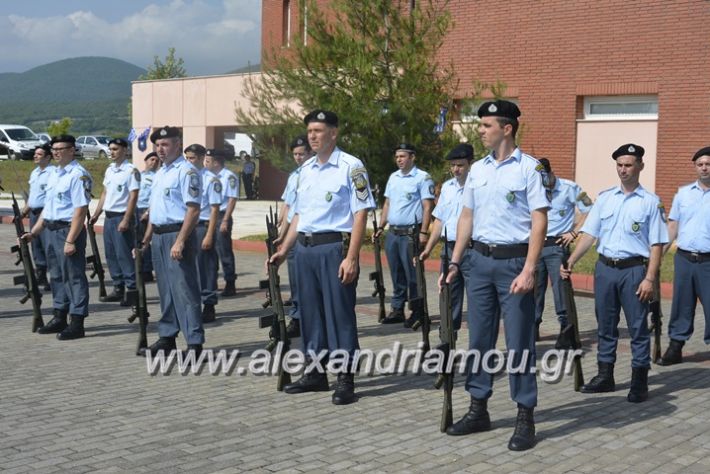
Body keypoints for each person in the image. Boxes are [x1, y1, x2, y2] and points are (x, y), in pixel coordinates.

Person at [444, 100, 548, 451]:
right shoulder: (477, 170)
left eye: (486, 125)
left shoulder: (528, 169)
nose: (481, 130)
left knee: (519, 343)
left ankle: (524, 416)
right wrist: (455, 263)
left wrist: (530, 269)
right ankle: (478, 408)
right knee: (479, 341)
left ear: (507, 128)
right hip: (480, 263)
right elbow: (466, 218)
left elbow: (539, 221)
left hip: (514, 264)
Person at [270, 109, 374, 405]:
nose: (312, 136)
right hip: (304, 250)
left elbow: (361, 213)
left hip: (333, 250)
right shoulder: (305, 171)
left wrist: (352, 257)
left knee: (339, 314)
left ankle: (345, 377)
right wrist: (284, 250)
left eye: (318, 130)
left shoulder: (351, 167)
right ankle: (315, 372)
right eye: (310, 131)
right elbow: (299, 215)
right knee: (310, 313)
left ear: (333, 133)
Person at [561, 143, 668, 403]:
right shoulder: (605, 198)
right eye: (619, 165)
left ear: (640, 166)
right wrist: (572, 260)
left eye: (628, 165)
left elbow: (657, 245)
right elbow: (590, 234)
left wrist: (650, 278)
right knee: (605, 326)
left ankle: (639, 381)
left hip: (634, 271)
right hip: (605, 269)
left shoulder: (650, 203)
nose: (623, 170)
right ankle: (605, 376)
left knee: (637, 328)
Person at [140, 126, 203, 356]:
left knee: (184, 289)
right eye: (157, 145)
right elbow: (155, 211)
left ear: (178, 144)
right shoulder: (161, 172)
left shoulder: (186, 172)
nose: (160, 149)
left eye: (165, 145)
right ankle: (167, 336)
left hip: (177, 234)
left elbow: (193, 210)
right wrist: (146, 239)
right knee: (165, 289)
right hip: (159, 235)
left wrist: (180, 241)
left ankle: (194, 342)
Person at [22, 135, 92, 340]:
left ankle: (77, 321)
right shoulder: (54, 174)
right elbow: (49, 208)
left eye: (61, 148)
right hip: (50, 230)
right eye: (54, 149)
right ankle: (60, 315)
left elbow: (80, 211)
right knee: (57, 275)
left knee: (74, 276)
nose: (57, 152)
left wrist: (71, 240)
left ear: (72, 150)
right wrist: (34, 232)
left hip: (67, 230)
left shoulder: (78, 175)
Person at [657, 146, 710, 365]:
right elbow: (672, 226)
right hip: (685, 258)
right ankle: (675, 346)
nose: (704, 168)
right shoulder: (683, 194)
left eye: (708, 164)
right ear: (695, 167)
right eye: (700, 164)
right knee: (682, 304)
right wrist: (659, 253)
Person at [374, 143, 435, 327]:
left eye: (403, 156)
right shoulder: (393, 177)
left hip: (411, 234)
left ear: (412, 157)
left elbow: (427, 206)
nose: (399, 159)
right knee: (396, 273)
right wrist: (381, 225)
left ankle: (417, 311)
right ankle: (397, 309)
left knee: (413, 275)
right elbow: (387, 204)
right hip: (393, 233)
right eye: (397, 156)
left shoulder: (423, 178)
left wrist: (424, 232)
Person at [534, 158, 592, 346]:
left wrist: (575, 231)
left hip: (556, 246)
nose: (542, 183)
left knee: (561, 289)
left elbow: (590, 209)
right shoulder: (533, 189)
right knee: (534, 290)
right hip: (534, 246)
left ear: (551, 173)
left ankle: (566, 329)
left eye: (544, 178)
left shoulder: (570, 188)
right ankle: (533, 327)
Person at [419, 143, 473, 335]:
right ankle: (448, 340)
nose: (455, 169)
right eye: (453, 165)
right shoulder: (448, 188)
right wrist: (428, 248)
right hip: (449, 249)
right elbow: (440, 221)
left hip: (472, 249)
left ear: (470, 164)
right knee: (449, 295)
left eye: (460, 165)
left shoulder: (477, 186)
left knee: (476, 299)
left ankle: (479, 346)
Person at [89, 138, 140, 305]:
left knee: (124, 255)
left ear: (125, 150)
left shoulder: (131, 170)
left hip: (121, 216)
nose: (112, 152)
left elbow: (133, 196)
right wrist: (97, 213)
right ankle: (118, 287)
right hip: (109, 217)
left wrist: (126, 218)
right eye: (110, 149)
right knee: (111, 255)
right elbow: (104, 193)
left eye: (116, 149)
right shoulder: (110, 169)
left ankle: (132, 290)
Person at [276, 135, 312, 337]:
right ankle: (297, 318)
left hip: (307, 233)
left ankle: (310, 317)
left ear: (310, 153)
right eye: (295, 154)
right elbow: (288, 204)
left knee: (309, 283)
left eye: (301, 154)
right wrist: (281, 232)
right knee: (296, 281)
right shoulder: (294, 176)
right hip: (292, 234)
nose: (298, 158)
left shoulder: (316, 175)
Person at [185, 144, 222, 324]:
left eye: (192, 158)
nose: (189, 162)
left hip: (202, 226)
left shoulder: (211, 180)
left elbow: (215, 210)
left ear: (201, 158)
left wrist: (209, 234)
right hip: (186, 227)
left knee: (205, 268)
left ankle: (209, 304)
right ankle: (192, 304)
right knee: (189, 268)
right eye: (187, 158)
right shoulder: (187, 176)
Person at [22, 144, 56, 291]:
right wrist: (23, 212)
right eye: (35, 154)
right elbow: (32, 196)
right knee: (36, 245)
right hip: (34, 213)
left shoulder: (53, 173)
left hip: (46, 214)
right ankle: (40, 274)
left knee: (48, 245)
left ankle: (54, 277)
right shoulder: (34, 173)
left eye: (39, 154)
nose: (35, 156)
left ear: (48, 157)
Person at [214, 153, 240, 297]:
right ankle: (212, 282)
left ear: (216, 162)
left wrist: (225, 219)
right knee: (209, 252)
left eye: (208, 161)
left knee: (224, 251)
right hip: (209, 217)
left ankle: (230, 283)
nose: (205, 163)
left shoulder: (228, 177)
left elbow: (232, 199)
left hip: (222, 216)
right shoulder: (208, 176)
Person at [135, 151, 160, 281]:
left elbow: (155, 198)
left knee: (146, 240)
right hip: (135, 208)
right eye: (152, 159)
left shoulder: (158, 177)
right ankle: (139, 266)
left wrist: (147, 212)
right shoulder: (138, 175)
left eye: (157, 160)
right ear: (146, 161)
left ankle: (147, 270)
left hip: (147, 210)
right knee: (136, 240)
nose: (154, 162)